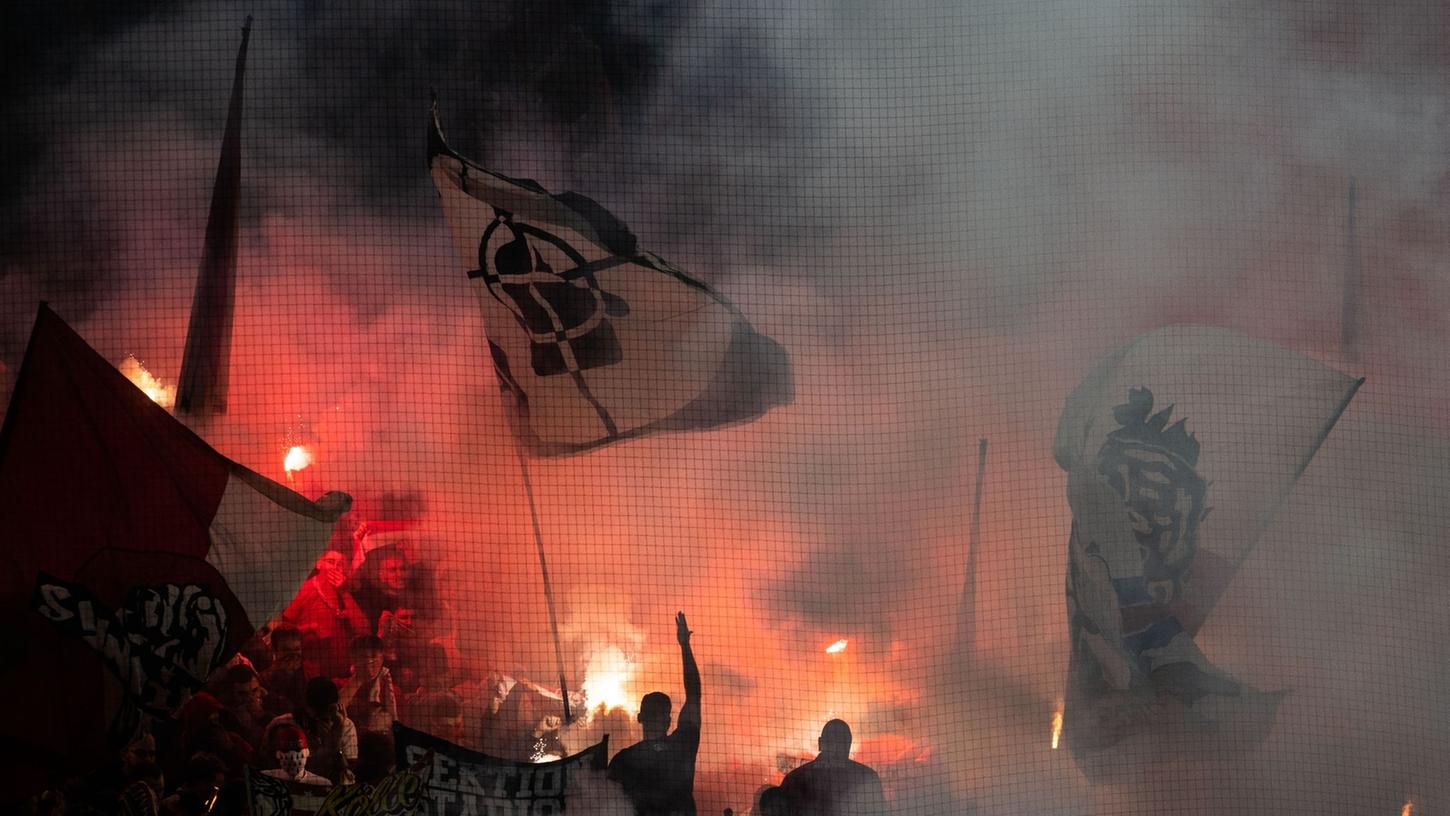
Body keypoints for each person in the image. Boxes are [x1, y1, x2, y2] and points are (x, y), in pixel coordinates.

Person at [607, 612, 700, 816]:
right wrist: (684, 646)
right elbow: (694, 694)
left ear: (639, 717)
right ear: (669, 720)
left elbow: (605, 802)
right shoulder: (683, 743)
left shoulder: (624, 759)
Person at [280, 550, 370, 680]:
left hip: (345, 672)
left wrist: (344, 593)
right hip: (313, 671)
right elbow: (284, 630)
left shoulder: (350, 592)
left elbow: (364, 631)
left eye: (341, 564)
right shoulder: (304, 589)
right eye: (330, 562)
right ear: (319, 564)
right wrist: (308, 628)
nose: (335, 567)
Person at [779, 720, 887, 816]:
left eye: (840, 743)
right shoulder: (866, 777)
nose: (836, 748)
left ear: (820, 743)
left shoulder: (795, 778)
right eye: (833, 742)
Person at [264, 678, 358, 786]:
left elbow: (348, 776)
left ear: (336, 707)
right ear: (305, 705)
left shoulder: (345, 726)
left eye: (325, 719)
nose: (319, 724)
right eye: (314, 718)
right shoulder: (281, 724)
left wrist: (336, 736)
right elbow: (267, 764)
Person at [336, 635, 398, 734]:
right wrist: (359, 679)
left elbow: (396, 722)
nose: (368, 661)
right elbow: (335, 710)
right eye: (362, 657)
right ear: (353, 659)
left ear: (381, 658)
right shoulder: (340, 685)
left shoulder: (392, 691)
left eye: (373, 656)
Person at [261, 724, 332, 787]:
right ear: (278, 754)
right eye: (286, 751)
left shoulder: (322, 784)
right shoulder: (266, 778)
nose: (293, 759)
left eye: (297, 750)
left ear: (307, 752)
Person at [262, 625, 308, 719]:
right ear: (274, 650)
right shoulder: (264, 679)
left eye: (297, 649)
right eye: (286, 650)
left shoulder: (307, 671)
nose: (292, 655)